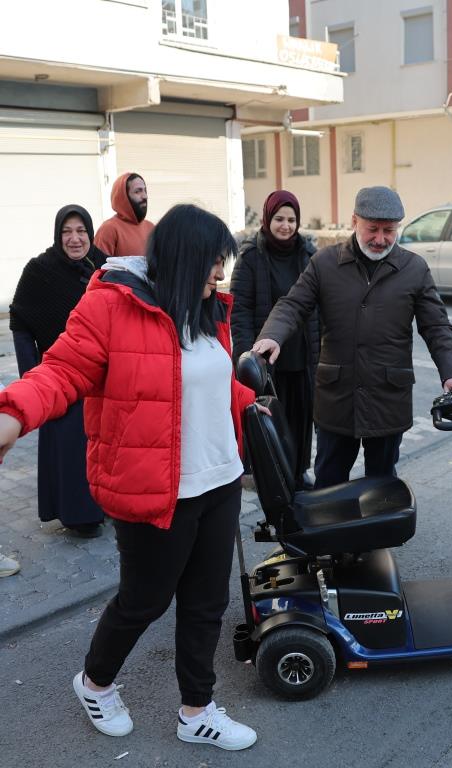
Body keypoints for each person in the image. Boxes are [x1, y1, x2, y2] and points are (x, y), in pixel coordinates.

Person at [0, 204, 259, 751]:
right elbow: (62, 370)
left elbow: (199, 383)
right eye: (214, 263)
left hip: (219, 480)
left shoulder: (205, 309)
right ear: (184, 259)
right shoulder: (110, 306)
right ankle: (94, 682)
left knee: (206, 603)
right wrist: (13, 412)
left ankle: (197, 710)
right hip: (153, 488)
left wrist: (247, 401)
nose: (220, 274)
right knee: (144, 600)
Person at [252, 186, 452, 488]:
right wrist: (273, 335)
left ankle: (377, 534)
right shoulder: (325, 263)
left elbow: (437, 327)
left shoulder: (414, 268)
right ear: (354, 221)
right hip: (336, 398)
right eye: (372, 229)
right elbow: (293, 304)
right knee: (328, 481)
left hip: (387, 397)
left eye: (389, 231)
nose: (380, 239)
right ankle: (329, 535)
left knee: (382, 485)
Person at [9, 204, 107, 537]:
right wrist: (30, 374)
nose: (75, 239)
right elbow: (20, 321)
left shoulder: (104, 267)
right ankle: (77, 515)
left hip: (102, 376)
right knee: (69, 448)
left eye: (81, 231)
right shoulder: (40, 270)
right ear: (57, 234)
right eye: (67, 232)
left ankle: (106, 506)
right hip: (60, 376)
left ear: (90, 234)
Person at [230, 190, 319, 490]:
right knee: (270, 418)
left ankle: (298, 470)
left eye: (292, 219)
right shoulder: (251, 256)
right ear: (268, 219)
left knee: (301, 417)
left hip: (301, 354)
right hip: (264, 357)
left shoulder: (308, 255)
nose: (285, 225)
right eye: (279, 218)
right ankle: (272, 474)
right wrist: (245, 358)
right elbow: (240, 310)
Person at [94, 172, 154, 256]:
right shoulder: (108, 229)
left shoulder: (151, 227)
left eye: (145, 190)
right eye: (137, 191)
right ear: (123, 197)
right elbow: (100, 266)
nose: (145, 196)